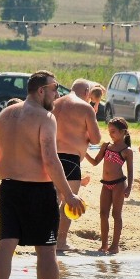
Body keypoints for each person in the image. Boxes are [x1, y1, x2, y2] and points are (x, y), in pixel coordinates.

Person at [0, 70, 83, 279]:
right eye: (54, 88)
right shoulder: (45, 117)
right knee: (47, 251)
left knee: (6, 245)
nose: (57, 94)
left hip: (9, 188)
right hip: (38, 192)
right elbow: (50, 159)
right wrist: (69, 195)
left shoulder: (5, 114)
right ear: (41, 91)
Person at [52, 79, 101, 252]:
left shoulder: (55, 103)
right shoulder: (85, 108)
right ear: (87, 92)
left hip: (51, 157)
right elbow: (96, 139)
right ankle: (61, 241)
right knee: (69, 201)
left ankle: (46, 240)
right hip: (71, 159)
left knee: (53, 200)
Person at [85, 117, 133, 254]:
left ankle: (115, 245)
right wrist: (84, 152)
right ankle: (104, 244)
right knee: (103, 213)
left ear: (123, 132)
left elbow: (130, 171)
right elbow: (95, 162)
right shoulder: (106, 146)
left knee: (116, 214)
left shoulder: (126, 151)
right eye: (109, 131)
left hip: (119, 184)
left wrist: (129, 187)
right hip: (105, 184)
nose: (110, 134)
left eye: (113, 131)